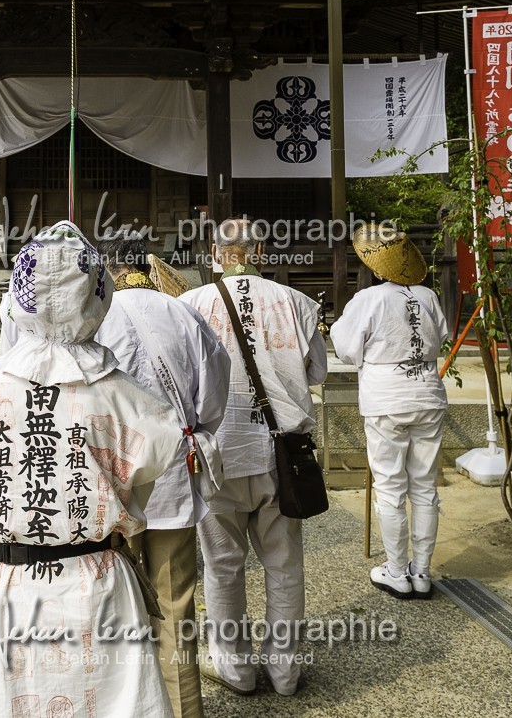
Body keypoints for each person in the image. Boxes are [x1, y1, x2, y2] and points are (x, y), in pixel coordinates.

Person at [0, 222, 184, 718]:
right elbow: (155, 456)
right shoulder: (124, 395)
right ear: (98, 295)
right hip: (98, 580)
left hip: (6, 586)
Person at [179, 218, 327, 697]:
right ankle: (285, 674)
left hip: (219, 453)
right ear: (258, 250)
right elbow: (318, 371)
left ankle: (236, 670)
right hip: (281, 456)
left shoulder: (189, 306)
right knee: (284, 565)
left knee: (222, 566)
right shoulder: (298, 303)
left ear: (216, 253)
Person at [95, 232, 229, 718]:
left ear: (106, 271)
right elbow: (215, 389)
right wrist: (195, 429)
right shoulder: (184, 312)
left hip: (114, 479)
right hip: (175, 468)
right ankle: (183, 709)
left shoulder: (97, 318)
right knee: (176, 603)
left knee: (116, 602)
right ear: (152, 267)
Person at [329, 223, 450, 600]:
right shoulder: (428, 296)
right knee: (425, 487)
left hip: (386, 399)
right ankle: (422, 571)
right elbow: (441, 338)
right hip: (428, 394)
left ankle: (397, 571)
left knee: (390, 486)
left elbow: (347, 348)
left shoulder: (368, 300)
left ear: (377, 267)